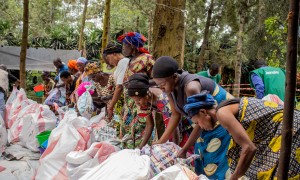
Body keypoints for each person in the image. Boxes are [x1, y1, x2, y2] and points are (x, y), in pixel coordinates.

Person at [184, 92, 300, 179]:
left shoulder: (222, 114)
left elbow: (249, 148)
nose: (199, 126)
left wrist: (234, 177)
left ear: (203, 112)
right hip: (286, 127)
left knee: (284, 173)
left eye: (197, 122)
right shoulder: (225, 110)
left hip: (290, 127)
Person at [151, 56, 233, 174]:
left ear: (174, 77)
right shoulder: (170, 88)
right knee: (201, 157)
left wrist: (184, 149)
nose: (160, 88)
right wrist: (161, 141)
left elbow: (202, 118)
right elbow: (175, 115)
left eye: (162, 84)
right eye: (158, 85)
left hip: (220, 121)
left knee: (215, 160)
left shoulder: (191, 87)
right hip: (203, 123)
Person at [117, 32, 155, 148]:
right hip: (129, 104)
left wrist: (138, 84)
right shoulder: (130, 60)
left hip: (141, 102)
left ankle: (140, 153)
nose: (123, 49)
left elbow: (157, 80)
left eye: (125, 46)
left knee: (141, 130)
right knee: (128, 132)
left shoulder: (147, 59)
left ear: (132, 46)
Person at [127, 73, 182, 148]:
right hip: (173, 123)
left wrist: (176, 148)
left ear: (146, 95)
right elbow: (149, 124)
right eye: (135, 100)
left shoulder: (163, 99)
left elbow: (174, 126)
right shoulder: (143, 100)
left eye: (139, 100)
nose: (137, 103)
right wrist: (141, 147)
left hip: (183, 120)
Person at [103, 43, 130, 120]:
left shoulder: (123, 62)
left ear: (114, 54)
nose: (109, 62)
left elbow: (119, 87)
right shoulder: (120, 64)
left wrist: (111, 107)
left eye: (108, 58)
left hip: (126, 100)